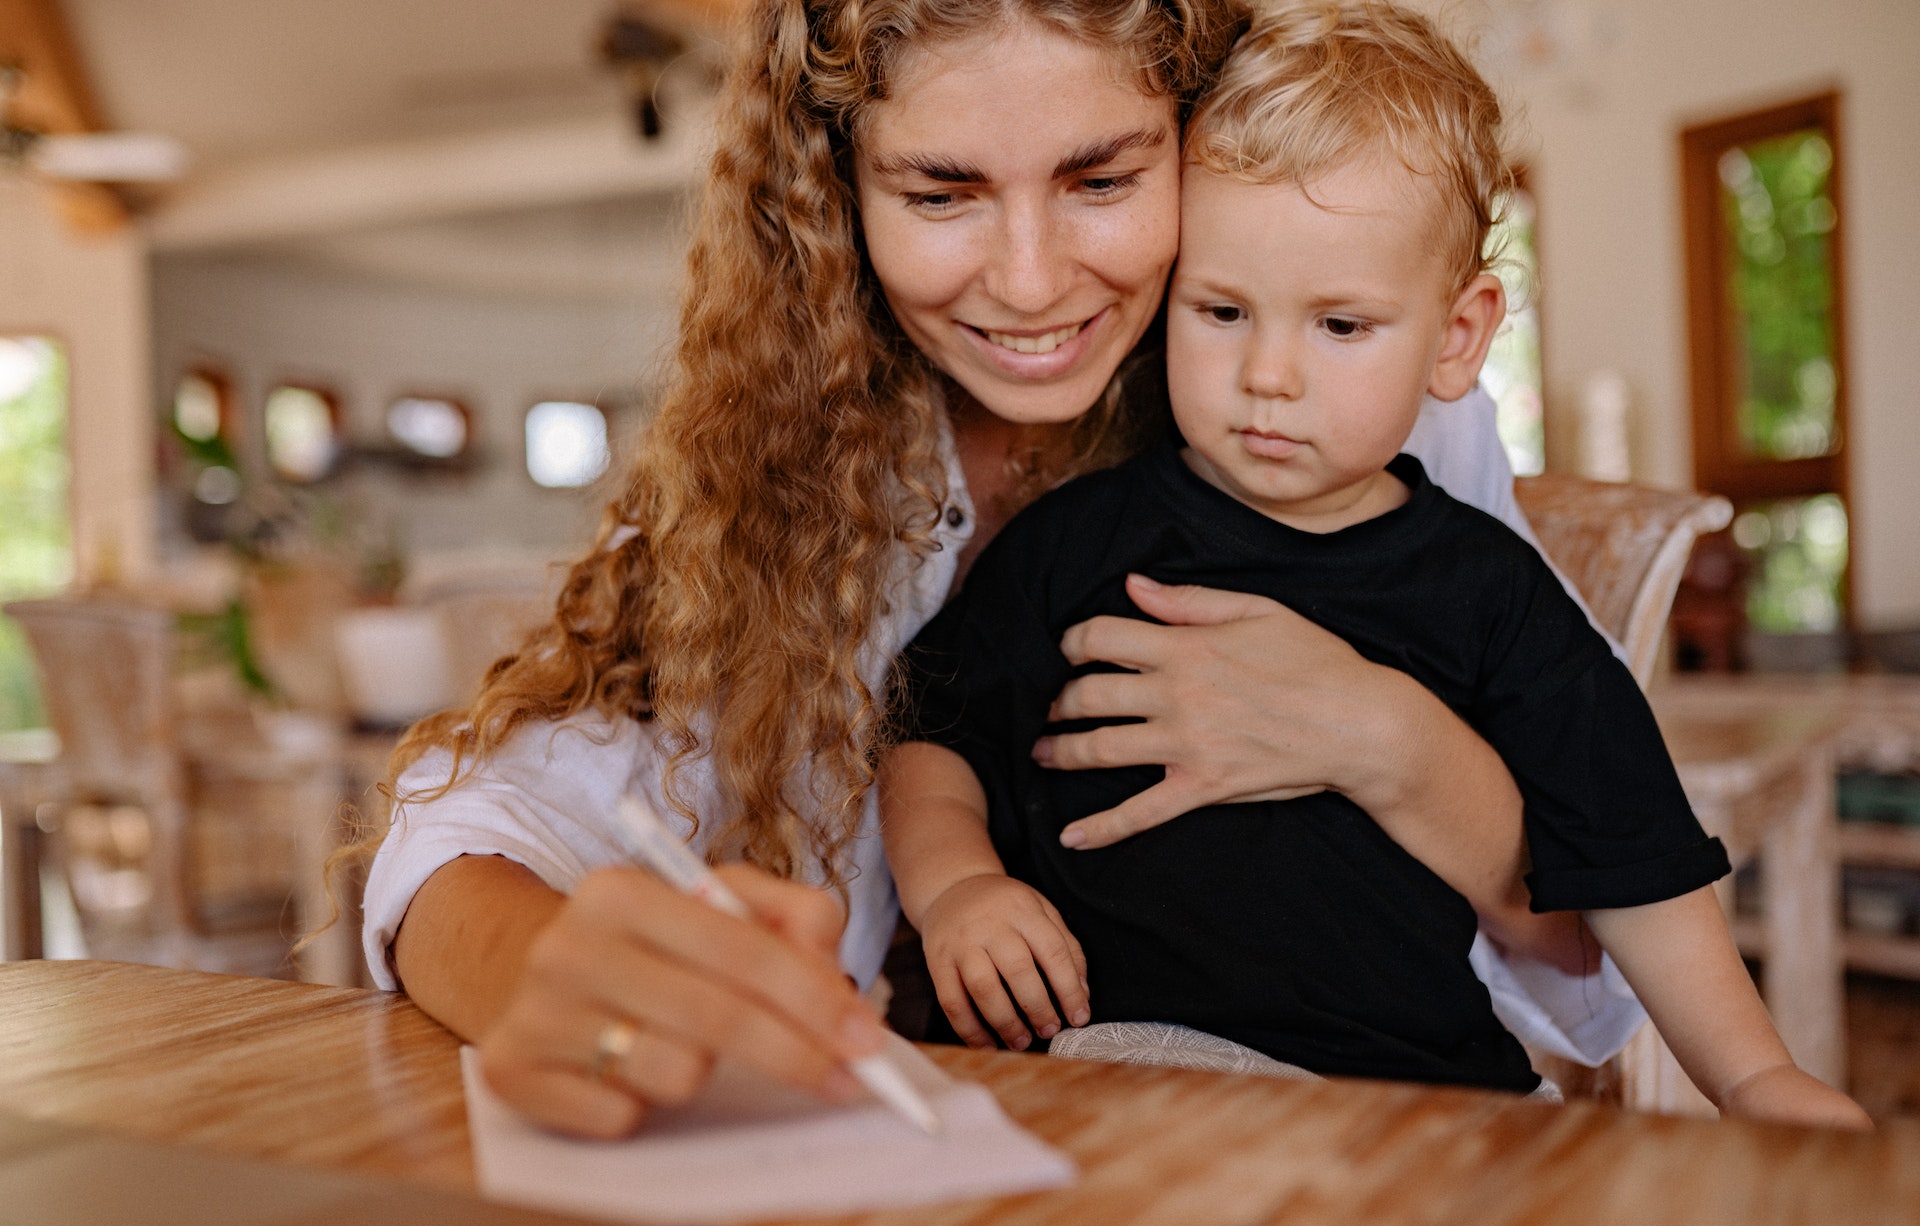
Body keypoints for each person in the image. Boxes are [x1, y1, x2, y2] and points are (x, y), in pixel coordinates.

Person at [359, 0, 1621, 1140]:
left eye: (1104, 177)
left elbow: (1583, 951)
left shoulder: (1354, 388)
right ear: (838, 189)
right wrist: (554, 974)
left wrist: (1389, 738)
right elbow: (459, 835)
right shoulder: (778, 456)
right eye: (940, 193)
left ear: (1197, 130)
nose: (1029, 283)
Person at [879, 0, 1870, 1126]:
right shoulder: (1078, 538)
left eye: (1339, 326)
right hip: (1140, 1059)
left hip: (1437, 1084)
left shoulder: (1487, 589)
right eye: (1222, 309)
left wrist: (1752, 1073)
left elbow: (1634, 855)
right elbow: (929, 729)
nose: (1269, 374)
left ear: (1456, 338)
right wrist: (957, 884)